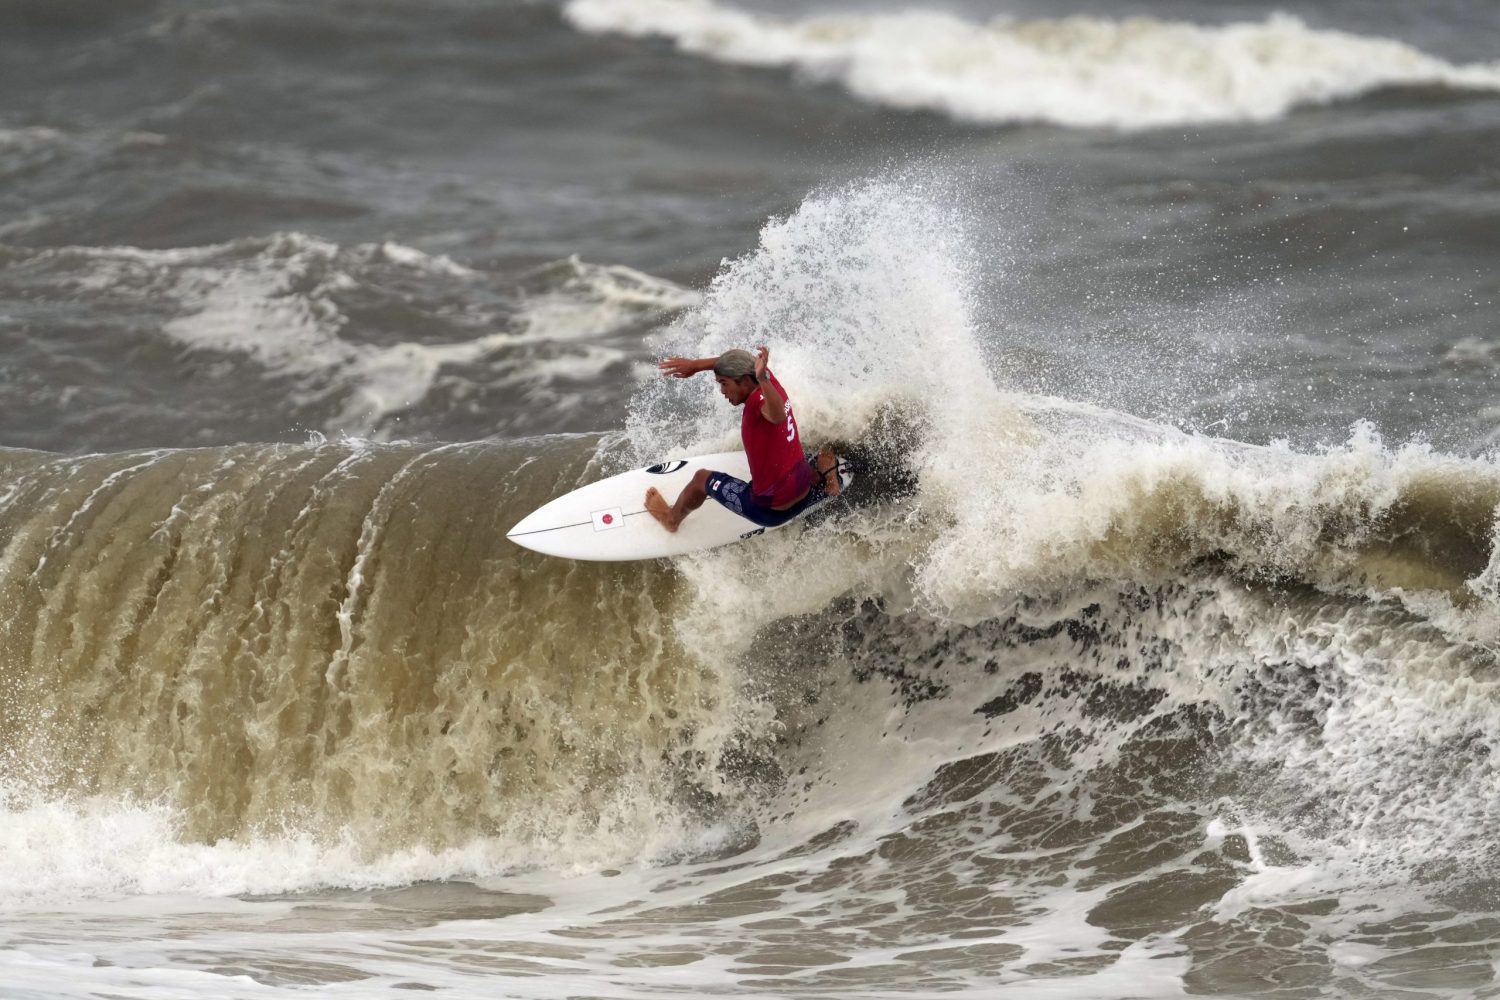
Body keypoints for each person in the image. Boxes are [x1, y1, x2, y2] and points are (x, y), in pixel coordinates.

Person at [645, 346, 840, 533]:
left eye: (724, 383)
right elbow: (740, 361)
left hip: (770, 511)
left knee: (700, 478)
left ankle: (671, 519)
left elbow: (778, 415)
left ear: (746, 380)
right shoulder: (769, 380)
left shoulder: (760, 403)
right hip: (805, 492)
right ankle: (828, 479)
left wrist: (761, 378)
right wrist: (696, 366)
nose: (722, 391)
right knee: (819, 449)